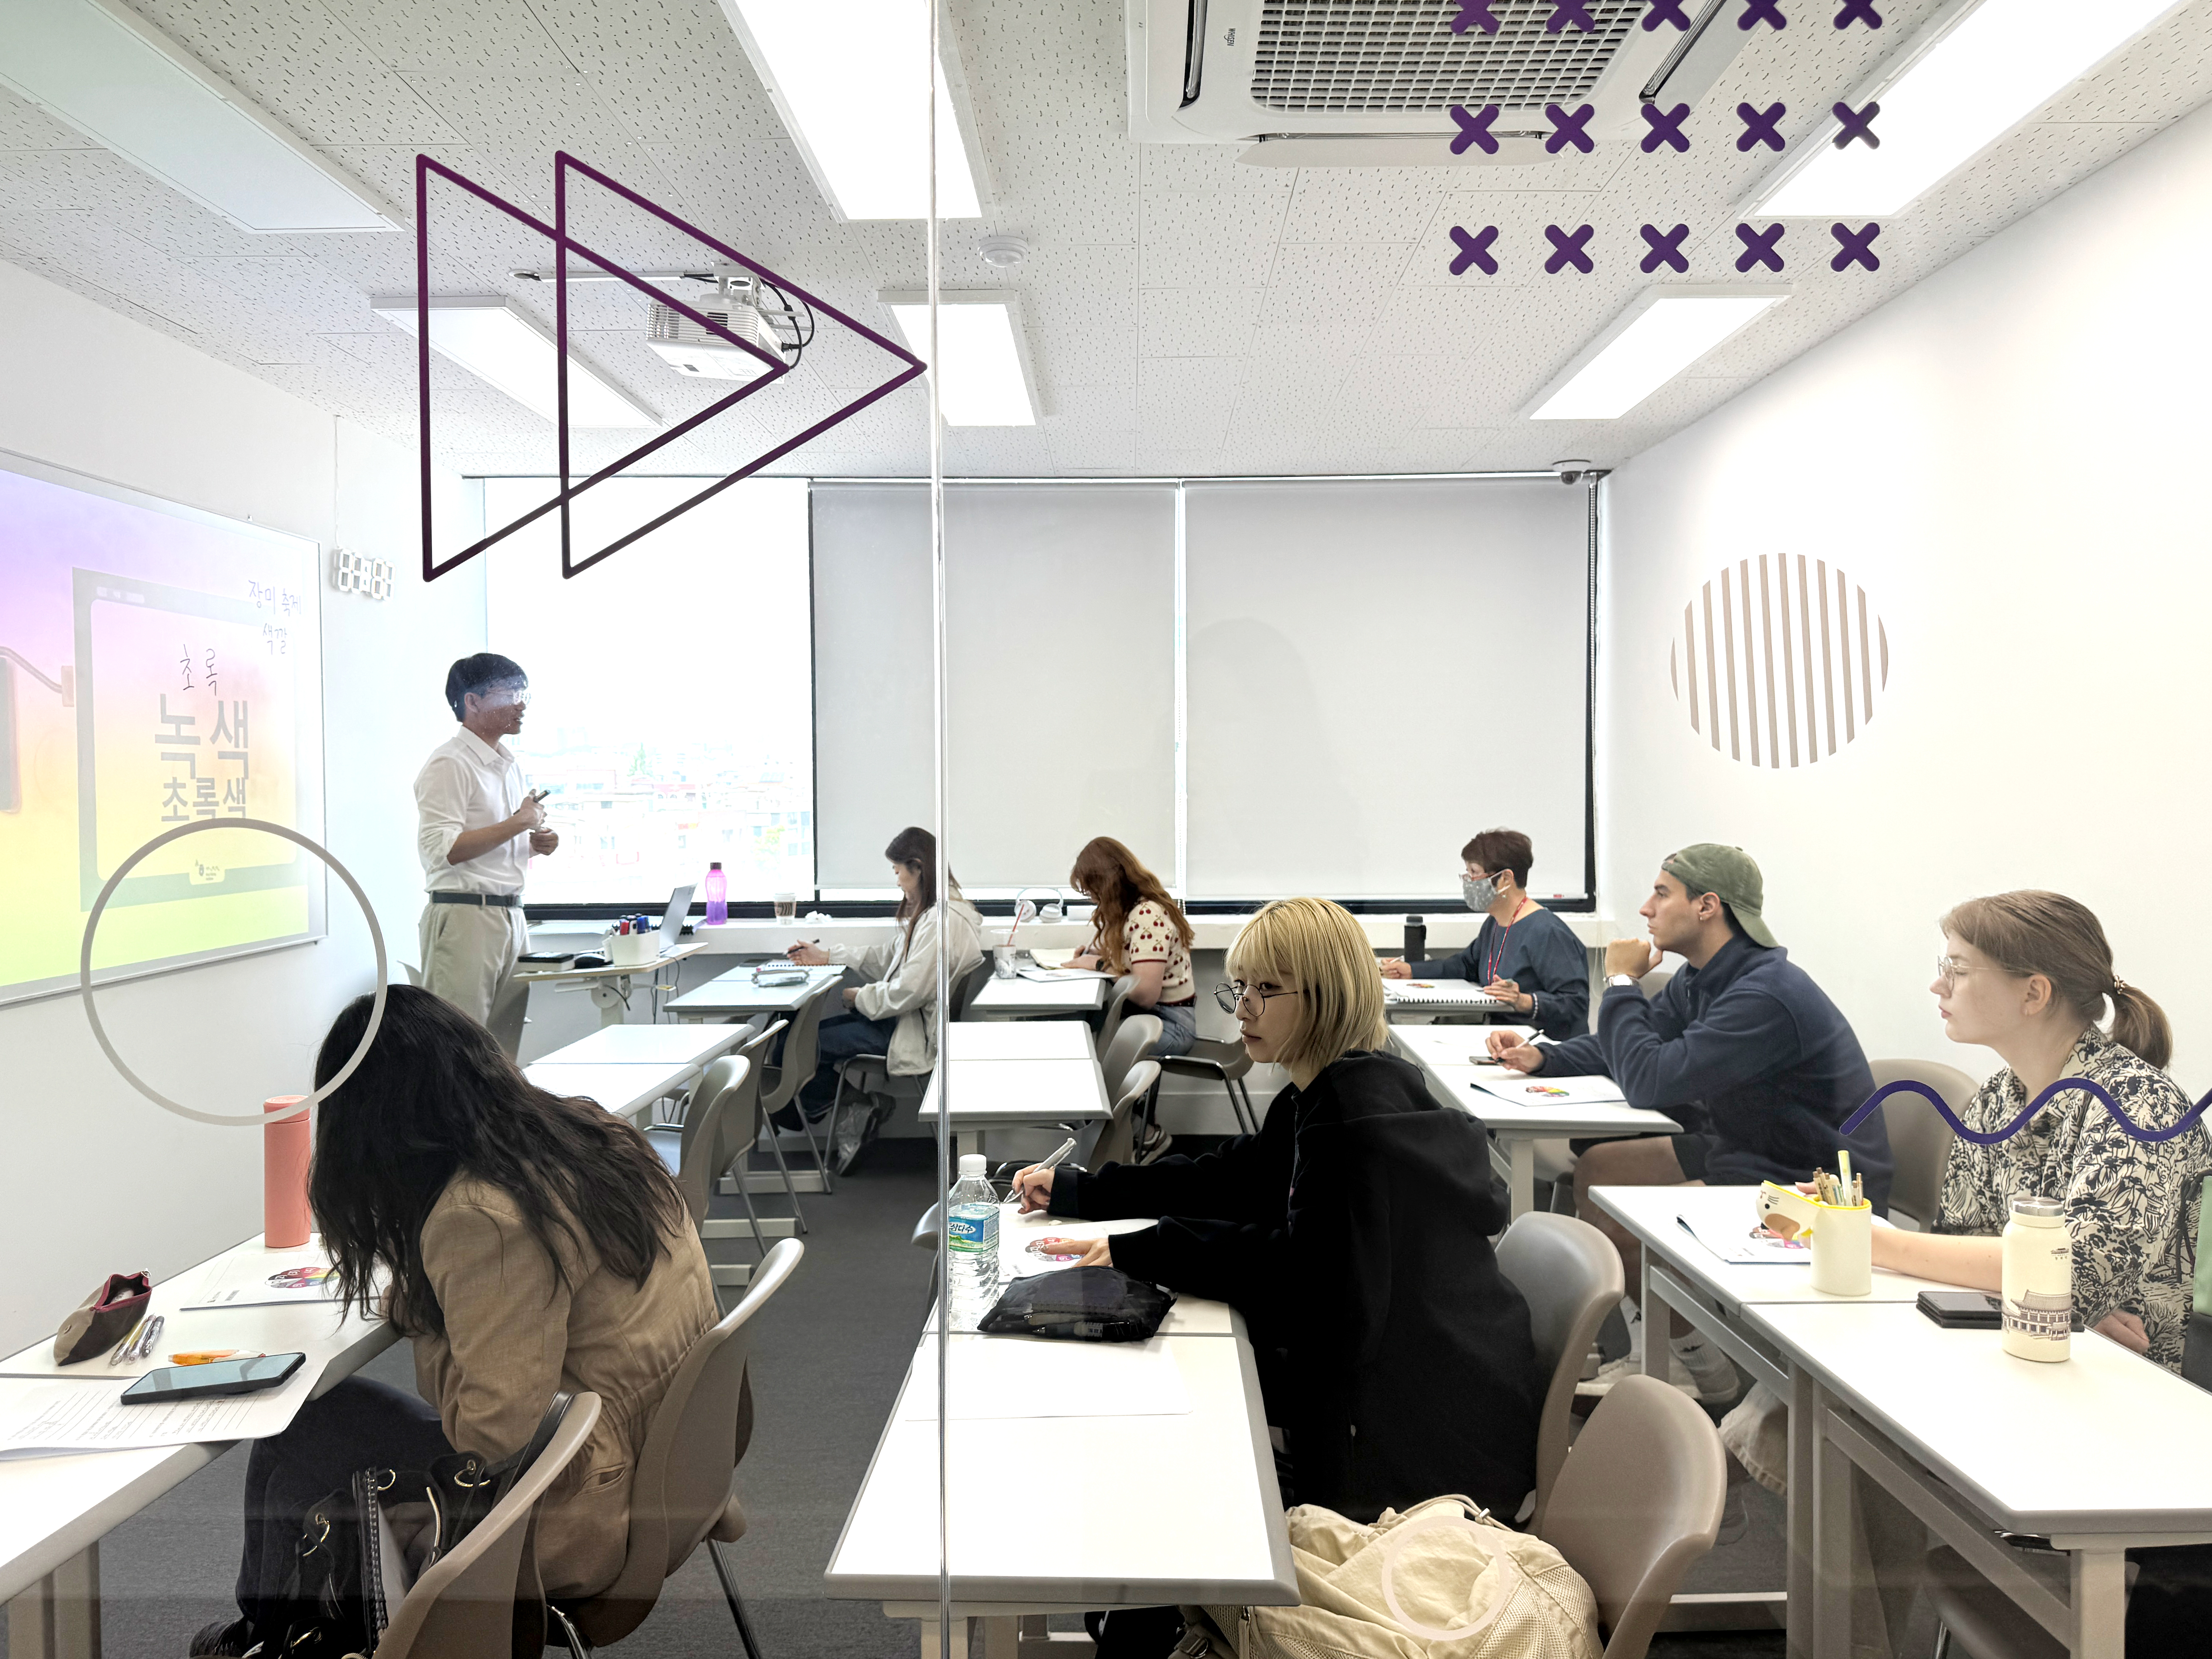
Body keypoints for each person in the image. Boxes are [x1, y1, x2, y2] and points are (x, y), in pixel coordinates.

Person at [188, 985, 717, 1658]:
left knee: (299, 1433)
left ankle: (269, 1637)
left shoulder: (482, 1214)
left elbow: (490, 1437)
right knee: (307, 1435)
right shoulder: (587, 1133)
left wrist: (435, 1310)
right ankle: (265, 1635)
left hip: (569, 1507)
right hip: (656, 1468)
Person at [1014, 897, 1542, 1526]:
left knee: (1171, 1426)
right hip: (1417, 1388)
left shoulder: (1351, 1120)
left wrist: (1142, 1248)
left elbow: (1305, 1282)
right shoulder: (1323, 1093)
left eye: (1265, 990)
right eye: (1240, 988)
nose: (1242, 1009)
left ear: (1325, 995)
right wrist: (1086, 1192)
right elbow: (1232, 1177)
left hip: (1431, 1446)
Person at [1489, 843, 1889, 1400]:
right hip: (1749, 1146)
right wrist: (1547, 1057)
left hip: (1808, 1175)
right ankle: (1648, 1341)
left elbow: (1650, 1078)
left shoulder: (1763, 993)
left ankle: (1700, 1372)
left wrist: (1622, 983)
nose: (1646, 908)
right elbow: (1628, 1043)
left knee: (1628, 1227)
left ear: (1707, 906)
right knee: (1600, 1170)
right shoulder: (1705, 976)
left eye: (1660, 892)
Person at [1868, 892, 2211, 1369]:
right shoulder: (1996, 1099)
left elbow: (2068, 1280)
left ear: (2034, 993)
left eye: (1959, 970)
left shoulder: (2140, 1105)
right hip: (2016, 1354)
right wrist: (2042, 1293)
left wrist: (1874, 1241)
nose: (1937, 986)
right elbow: (1964, 1249)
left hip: (2120, 1387)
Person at [779, 825, 983, 1172]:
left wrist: (859, 997)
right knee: (791, 1038)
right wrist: (827, 955)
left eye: (898, 871)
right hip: (900, 1020)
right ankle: (857, 1105)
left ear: (918, 868)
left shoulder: (939, 922)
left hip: (905, 1029)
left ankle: (858, 1105)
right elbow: (887, 957)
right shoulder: (935, 914)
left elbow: (908, 991)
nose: (897, 880)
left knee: (793, 1043)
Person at [413, 653, 556, 1055]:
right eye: (510, 693)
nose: (521, 704)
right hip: (466, 917)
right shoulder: (450, 763)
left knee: (505, 1053)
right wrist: (519, 823)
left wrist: (533, 842)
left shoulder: (508, 765)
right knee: (459, 1053)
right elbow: (445, 850)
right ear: (472, 702)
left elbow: (491, 841)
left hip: (511, 914)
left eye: (522, 693)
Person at [1377, 827, 1588, 1040]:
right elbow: (1465, 966)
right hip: (1500, 1040)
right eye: (1467, 872)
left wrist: (1523, 1000)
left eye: (1475, 873)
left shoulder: (1547, 932)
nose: (1468, 881)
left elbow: (1575, 1003)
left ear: (1505, 879)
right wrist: (1410, 971)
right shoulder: (1494, 924)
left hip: (1542, 1048)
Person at [1060, 836, 1200, 1058]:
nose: (1094, 901)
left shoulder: (1146, 914)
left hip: (1171, 1027)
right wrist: (1102, 955)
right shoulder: (1140, 907)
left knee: (1079, 1037)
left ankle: (1100, 1093)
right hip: (1156, 1019)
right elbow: (1139, 959)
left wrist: (1098, 964)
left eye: (1093, 892)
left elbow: (1145, 995)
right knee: (1077, 1025)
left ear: (1106, 886)